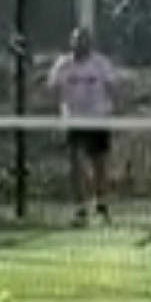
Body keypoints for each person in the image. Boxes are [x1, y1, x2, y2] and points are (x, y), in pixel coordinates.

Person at [48, 25, 120, 225]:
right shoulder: (63, 64)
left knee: (99, 164)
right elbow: (52, 88)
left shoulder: (101, 63)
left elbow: (113, 87)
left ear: (90, 43)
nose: (79, 44)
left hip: (97, 119)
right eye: (76, 40)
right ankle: (80, 208)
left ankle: (101, 206)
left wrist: (114, 109)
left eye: (83, 40)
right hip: (73, 120)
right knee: (75, 164)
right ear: (71, 42)